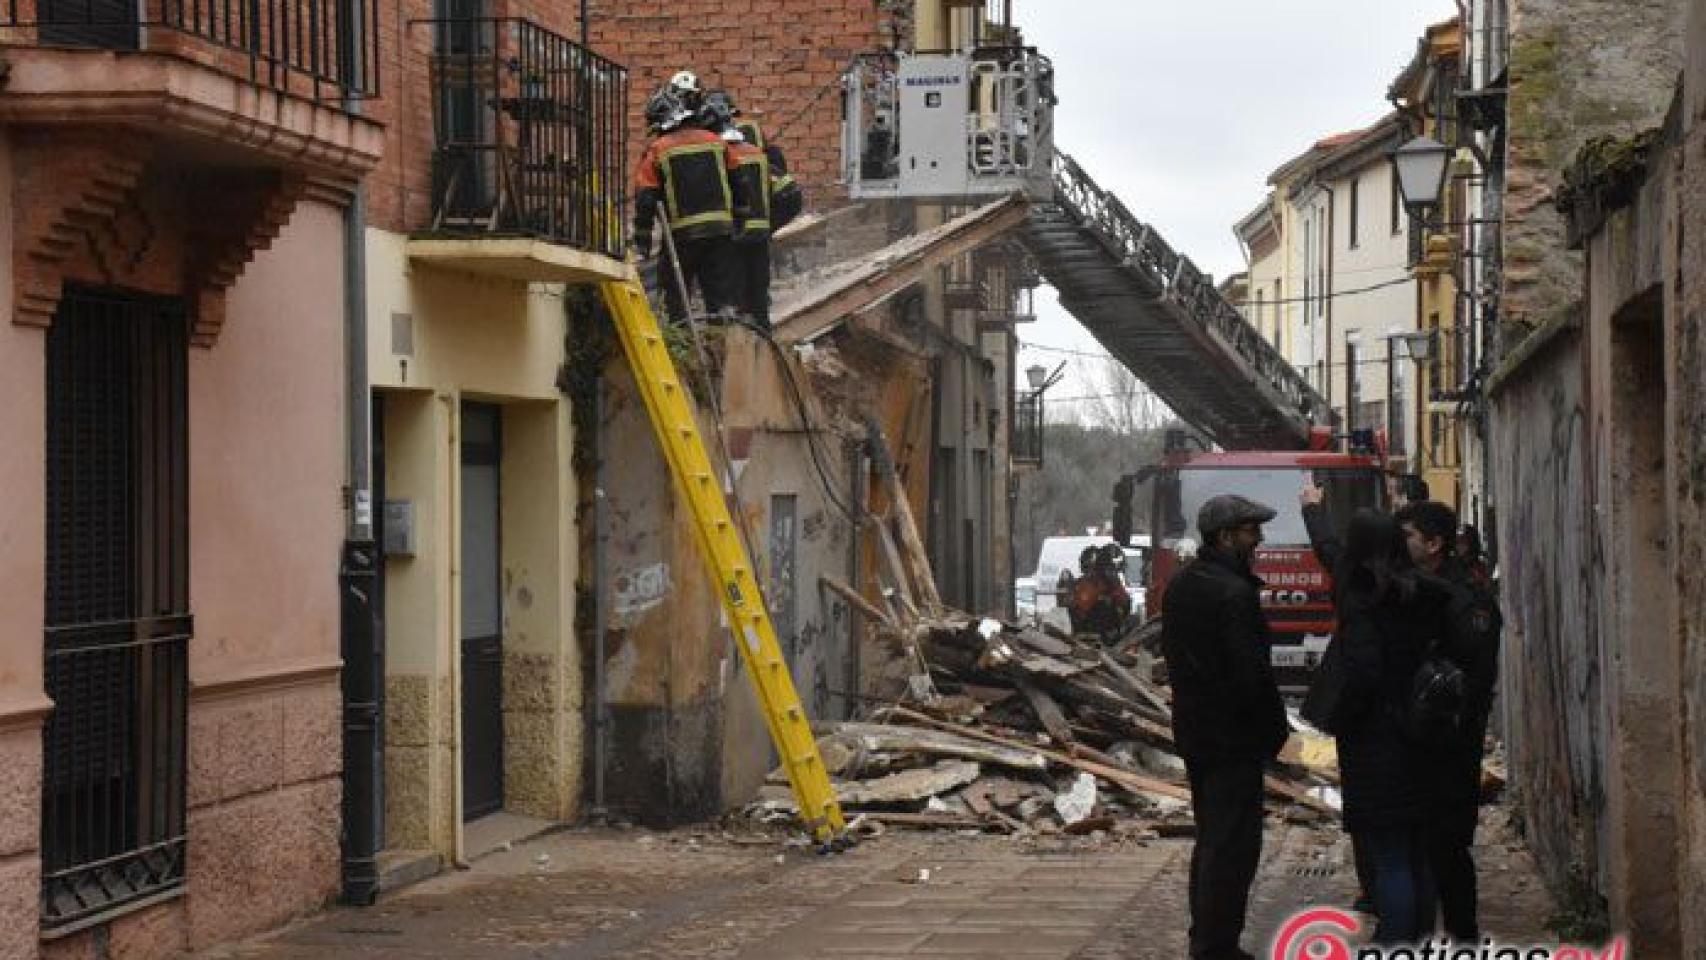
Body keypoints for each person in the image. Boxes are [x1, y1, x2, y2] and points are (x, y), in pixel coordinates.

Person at [1304, 499, 1455, 945]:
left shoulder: (1362, 599)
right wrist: (1316, 514)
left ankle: (1394, 942)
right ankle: (1421, 938)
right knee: (1417, 851)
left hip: (1377, 739)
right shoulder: (1427, 594)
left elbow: (1364, 674)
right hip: (1423, 732)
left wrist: (1340, 716)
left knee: (1388, 854)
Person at [1161, 495, 1289, 960]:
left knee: (1211, 836)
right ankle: (1217, 945)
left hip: (1196, 731)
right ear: (1226, 536)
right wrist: (1275, 731)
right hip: (1232, 736)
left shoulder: (1181, 585)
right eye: (1251, 531)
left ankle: (1207, 937)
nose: (1258, 539)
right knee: (1233, 845)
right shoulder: (1233, 593)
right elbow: (1251, 675)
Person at [1395, 502, 1503, 943]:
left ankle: (1462, 937)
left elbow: (1472, 677)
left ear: (1433, 543)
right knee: (1423, 846)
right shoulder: (1420, 589)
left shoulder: (1461, 598)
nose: (1400, 545)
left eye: (1408, 536)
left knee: (1448, 848)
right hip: (1422, 741)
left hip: (1449, 743)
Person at [631, 88, 742, 322]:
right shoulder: (716, 142)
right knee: (719, 293)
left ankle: (681, 335)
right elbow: (739, 182)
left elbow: (646, 198)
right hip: (720, 231)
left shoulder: (658, 149)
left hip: (683, 235)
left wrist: (642, 241)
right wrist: (739, 221)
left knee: (675, 290)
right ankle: (722, 338)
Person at [700, 91, 774, 328]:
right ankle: (764, 333)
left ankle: (735, 337)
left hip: (733, 231)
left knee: (732, 291)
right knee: (759, 290)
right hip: (760, 229)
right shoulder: (757, 153)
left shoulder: (719, 156)